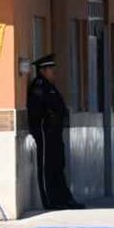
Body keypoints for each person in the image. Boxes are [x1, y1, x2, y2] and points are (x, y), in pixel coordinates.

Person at [26, 55, 83, 210]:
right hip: (45, 134)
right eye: (51, 70)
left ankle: (63, 198)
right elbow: (37, 112)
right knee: (47, 167)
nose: (54, 73)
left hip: (55, 134)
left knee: (58, 165)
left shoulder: (50, 87)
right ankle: (49, 201)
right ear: (43, 71)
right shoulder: (39, 87)